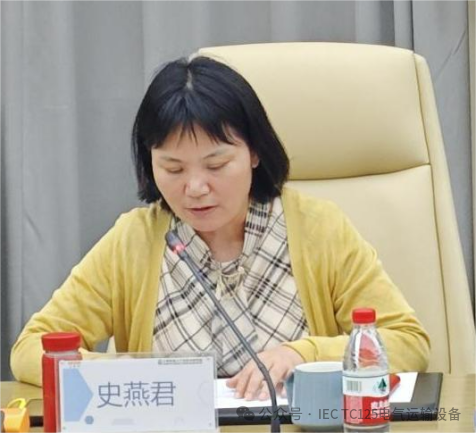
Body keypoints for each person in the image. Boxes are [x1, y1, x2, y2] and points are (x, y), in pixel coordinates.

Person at [10, 55, 430, 400]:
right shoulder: (135, 241)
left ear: (254, 153)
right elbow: (32, 348)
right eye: (173, 168)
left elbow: (406, 342)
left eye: (216, 165)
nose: (195, 188)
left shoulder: (318, 229)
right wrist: (117, 371)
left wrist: (304, 354)